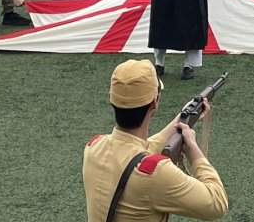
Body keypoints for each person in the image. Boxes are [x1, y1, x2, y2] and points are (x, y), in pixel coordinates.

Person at [82, 59, 228, 222]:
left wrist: (182, 117)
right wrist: (193, 149)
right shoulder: (156, 173)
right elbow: (217, 204)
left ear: (112, 99)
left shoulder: (93, 147)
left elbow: (136, 151)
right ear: (154, 103)